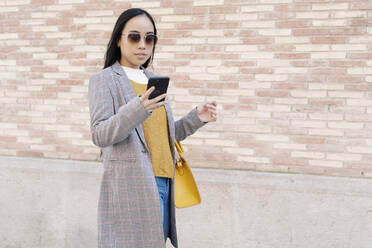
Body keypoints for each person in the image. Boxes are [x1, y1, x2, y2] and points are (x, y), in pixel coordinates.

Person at [88, 8, 217, 248]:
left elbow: (161, 137)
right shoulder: (104, 80)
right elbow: (100, 134)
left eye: (150, 38)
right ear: (119, 39)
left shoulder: (153, 79)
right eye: (134, 37)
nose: (142, 45)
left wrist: (196, 118)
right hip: (131, 185)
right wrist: (138, 108)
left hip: (163, 181)